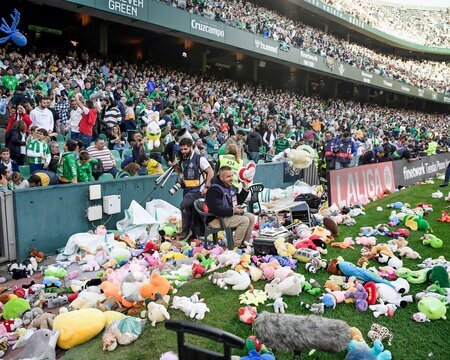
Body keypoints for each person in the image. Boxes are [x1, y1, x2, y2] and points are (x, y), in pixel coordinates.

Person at [205, 166, 255, 249]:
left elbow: (236, 202)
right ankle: (234, 247)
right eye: (228, 176)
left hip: (227, 215)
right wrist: (233, 210)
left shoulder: (230, 187)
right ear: (221, 177)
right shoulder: (214, 189)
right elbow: (215, 209)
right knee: (244, 220)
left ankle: (245, 243)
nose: (231, 178)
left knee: (251, 217)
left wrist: (245, 189)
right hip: (216, 219)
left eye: (232, 176)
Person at [177, 137, 214, 241]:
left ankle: (185, 230)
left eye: (185, 149)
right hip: (188, 190)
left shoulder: (200, 159)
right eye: (181, 149)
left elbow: (210, 172)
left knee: (183, 205)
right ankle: (196, 234)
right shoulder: (183, 160)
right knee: (191, 210)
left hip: (198, 190)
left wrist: (206, 187)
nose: (183, 151)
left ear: (191, 148)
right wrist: (176, 165)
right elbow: (181, 173)